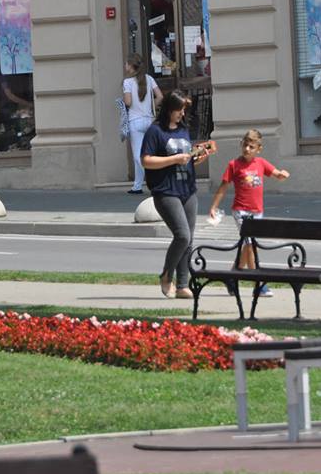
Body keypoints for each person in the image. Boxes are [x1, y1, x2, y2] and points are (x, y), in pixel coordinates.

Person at [141, 89, 212, 299]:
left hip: (187, 189)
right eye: (179, 109)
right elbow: (146, 160)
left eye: (184, 110)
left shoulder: (183, 130)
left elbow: (185, 159)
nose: (182, 114)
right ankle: (166, 275)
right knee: (182, 235)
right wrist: (174, 159)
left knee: (189, 240)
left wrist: (197, 158)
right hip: (166, 191)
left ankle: (182, 285)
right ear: (169, 109)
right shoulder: (155, 131)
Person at [209, 129, 290, 297]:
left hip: (257, 212)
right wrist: (213, 207)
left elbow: (276, 173)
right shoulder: (234, 165)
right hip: (241, 211)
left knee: (248, 246)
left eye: (251, 147)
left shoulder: (261, 163)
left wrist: (282, 174)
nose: (247, 149)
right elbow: (223, 187)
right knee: (251, 245)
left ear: (258, 149)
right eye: (245, 145)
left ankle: (232, 278)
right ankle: (258, 284)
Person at [122, 53, 162, 194]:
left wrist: (123, 99)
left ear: (131, 66)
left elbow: (128, 102)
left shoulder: (127, 82)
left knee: (138, 156)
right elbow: (160, 96)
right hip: (149, 120)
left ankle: (156, 180)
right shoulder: (149, 79)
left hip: (135, 121)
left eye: (126, 63)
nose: (125, 66)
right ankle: (137, 186)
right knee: (147, 152)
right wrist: (151, 107)